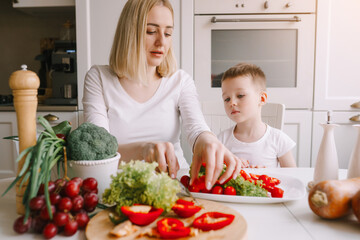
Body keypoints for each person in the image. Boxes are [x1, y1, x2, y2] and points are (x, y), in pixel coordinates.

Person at [82, 0, 248, 190]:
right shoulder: (98, 78)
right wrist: (143, 150)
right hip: (120, 188)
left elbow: (197, 129)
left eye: (168, 33)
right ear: (129, 33)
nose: (162, 42)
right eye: (151, 31)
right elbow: (97, 151)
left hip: (175, 185)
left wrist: (208, 140)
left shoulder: (179, 81)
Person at [218, 63, 296, 167]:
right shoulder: (221, 140)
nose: (232, 102)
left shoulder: (278, 139)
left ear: (262, 98)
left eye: (240, 95)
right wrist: (228, 165)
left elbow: (292, 176)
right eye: (227, 99)